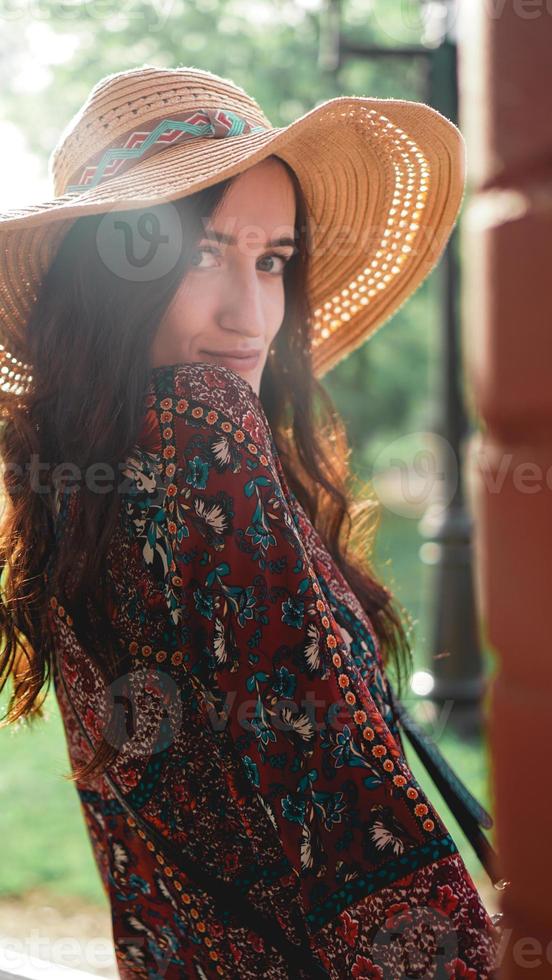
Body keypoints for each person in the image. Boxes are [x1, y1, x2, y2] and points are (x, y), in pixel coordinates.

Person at [0, 65, 499, 978]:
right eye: (200, 254)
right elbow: (350, 817)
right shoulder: (201, 428)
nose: (251, 315)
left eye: (271, 259)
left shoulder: (64, 491)